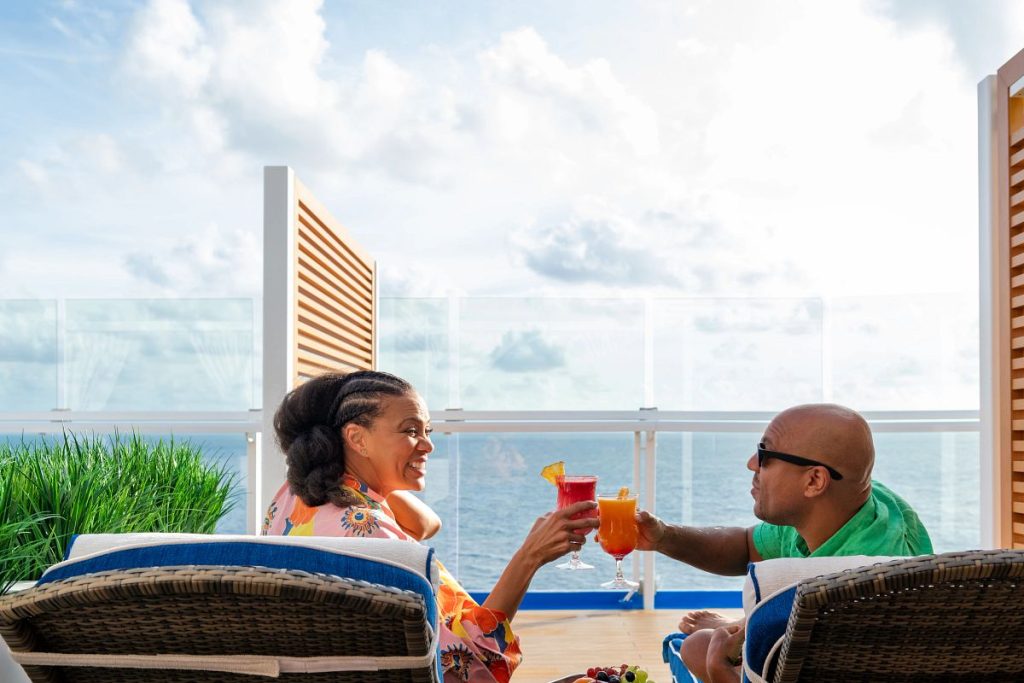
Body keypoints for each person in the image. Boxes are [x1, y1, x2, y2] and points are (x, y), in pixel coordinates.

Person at [262, 370, 599, 683]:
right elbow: (464, 665)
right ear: (356, 438)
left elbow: (427, 524)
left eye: (427, 431)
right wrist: (531, 556)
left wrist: (384, 483)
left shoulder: (296, 496)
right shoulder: (373, 536)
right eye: (410, 431)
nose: (428, 445)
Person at [636, 403, 932, 683]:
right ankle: (743, 624)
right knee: (704, 642)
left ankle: (741, 625)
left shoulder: (853, 589)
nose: (751, 463)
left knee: (698, 646)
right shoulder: (850, 502)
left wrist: (721, 674)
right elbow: (744, 547)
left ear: (815, 481)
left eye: (765, 455)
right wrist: (663, 536)